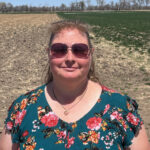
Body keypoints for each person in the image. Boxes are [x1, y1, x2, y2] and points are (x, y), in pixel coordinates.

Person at [0, 20, 149, 150]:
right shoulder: (23, 108)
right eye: (59, 50)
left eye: (79, 50)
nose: (70, 58)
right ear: (49, 53)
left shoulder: (121, 108)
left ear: (90, 53)